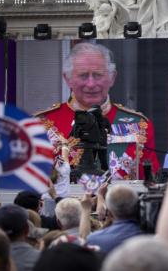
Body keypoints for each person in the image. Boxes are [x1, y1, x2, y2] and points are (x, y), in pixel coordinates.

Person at [35, 42, 159, 180]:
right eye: (83, 76)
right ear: (67, 79)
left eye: (98, 75)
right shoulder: (40, 125)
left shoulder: (139, 125)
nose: (91, 84)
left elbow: (150, 183)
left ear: (112, 78)